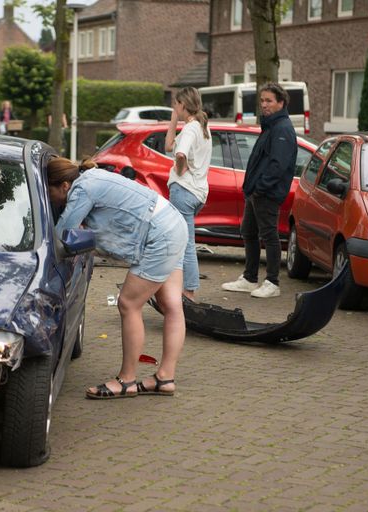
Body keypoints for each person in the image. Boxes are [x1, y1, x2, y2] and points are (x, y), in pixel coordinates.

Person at [49, 156, 188, 400]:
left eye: (50, 193)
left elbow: (63, 235)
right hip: (173, 223)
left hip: (159, 235)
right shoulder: (90, 177)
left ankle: (126, 380)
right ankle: (165, 378)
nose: (51, 200)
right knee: (172, 306)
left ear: (64, 186)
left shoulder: (82, 189)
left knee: (128, 303)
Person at [221, 82, 298, 298]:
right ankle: (249, 278)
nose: (264, 105)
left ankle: (272, 282)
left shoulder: (282, 128)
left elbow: (278, 165)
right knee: (249, 232)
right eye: (262, 100)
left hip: (266, 194)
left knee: (269, 235)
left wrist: (260, 188)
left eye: (269, 101)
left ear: (280, 103)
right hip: (256, 192)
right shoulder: (271, 126)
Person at [165, 87, 211, 301]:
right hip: (198, 191)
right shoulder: (201, 127)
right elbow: (168, 146)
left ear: (183, 104)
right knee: (183, 240)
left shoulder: (191, 128)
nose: (175, 107)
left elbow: (180, 153)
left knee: (185, 242)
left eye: (176, 105)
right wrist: (174, 120)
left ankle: (189, 291)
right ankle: (182, 287)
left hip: (183, 191)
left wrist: (179, 168)